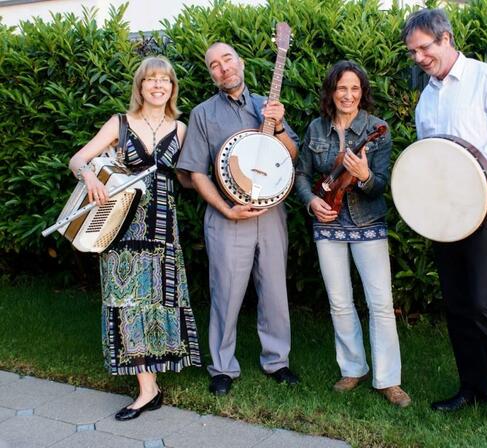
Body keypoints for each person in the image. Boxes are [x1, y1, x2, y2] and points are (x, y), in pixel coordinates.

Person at [401, 8, 487, 440]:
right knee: (457, 305)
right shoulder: (427, 99)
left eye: (424, 48)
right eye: (413, 51)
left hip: (486, 208)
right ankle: (472, 388)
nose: (419, 57)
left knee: (484, 303)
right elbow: (427, 159)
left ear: (446, 38)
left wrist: (469, 167)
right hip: (444, 215)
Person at [68, 56, 202, 421]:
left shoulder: (181, 129)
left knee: (158, 303)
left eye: (165, 81)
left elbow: (189, 178)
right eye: (151, 80)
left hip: (162, 230)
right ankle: (147, 389)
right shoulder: (120, 123)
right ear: (140, 87)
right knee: (127, 303)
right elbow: (78, 159)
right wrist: (90, 178)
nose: (158, 86)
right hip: (120, 226)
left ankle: (151, 387)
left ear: (172, 88)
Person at [176, 42, 300, 396]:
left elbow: (291, 155)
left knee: (275, 290)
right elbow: (196, 173)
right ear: (211, 74)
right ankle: (221, 367)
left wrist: (277, 126)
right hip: (227, 215)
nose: (223, 68)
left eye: (227, 59)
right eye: (214, 64)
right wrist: (225, 208)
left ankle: (277, 361)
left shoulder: (268, 106)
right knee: (226, 292)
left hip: (271, 213)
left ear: (241, 62)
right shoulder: (203, 114)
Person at [295, 60, 411, 407]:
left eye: (355, 89)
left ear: (363, 92)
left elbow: (380, 187)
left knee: (380, 304)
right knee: (340, 302)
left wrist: (363, 176)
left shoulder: (378, 130)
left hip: (368, 225)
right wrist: (311, 201)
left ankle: (388, 379)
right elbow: (301, 174)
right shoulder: (316, 128)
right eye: (342, 88)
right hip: (327, 225)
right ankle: (353, 368)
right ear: (332, 92)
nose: (348, 95)